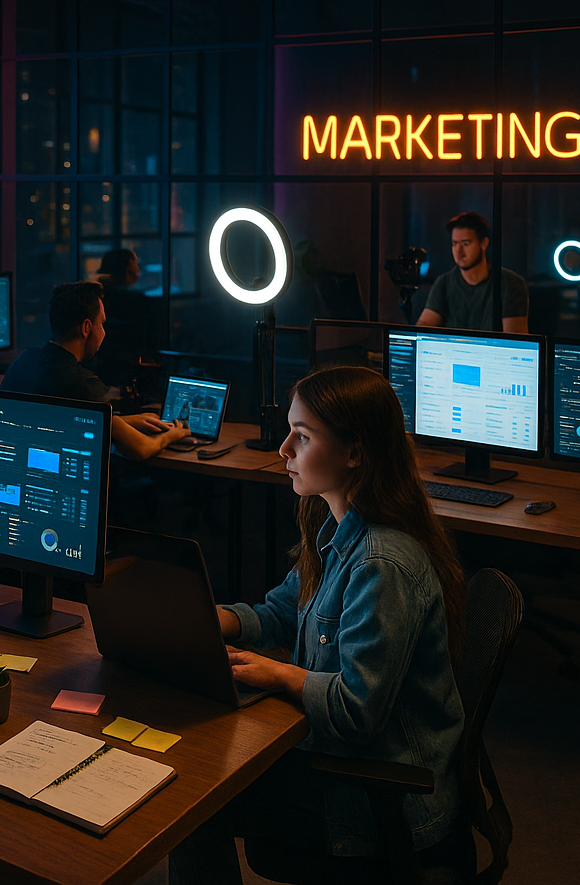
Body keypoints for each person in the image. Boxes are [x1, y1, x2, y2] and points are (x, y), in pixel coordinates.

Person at [169, 365, 471, 883]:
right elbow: (283, 612)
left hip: (377, 796)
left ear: (356, 453)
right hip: (347, 763)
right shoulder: (336, 528)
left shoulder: (382, 562)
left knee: (190, 804)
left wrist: (270, 673)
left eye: (302, 437)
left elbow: (357, 711)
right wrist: (201, 621)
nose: (283, 449)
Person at [0, 280, 190, 461]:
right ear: (86, 328)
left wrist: (128, 421)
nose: (104, 332)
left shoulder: (23, 362)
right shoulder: (81, 385)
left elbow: (63, 424)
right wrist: (174, 434)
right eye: (102, 323)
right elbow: (141, 449)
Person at [417, 211, 528, 333]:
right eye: (454, 244)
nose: (459, 251)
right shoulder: (444, 283)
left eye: (466, 244)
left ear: (484, 243)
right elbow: (425, 325)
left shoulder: (510, 284)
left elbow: (514, 339)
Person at [88, 248, 156, 390]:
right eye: (134, 265)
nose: (137, 269)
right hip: (125, 365)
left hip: (100, 364)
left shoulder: (97, 294)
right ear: (127, 270)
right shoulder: (132, 300)